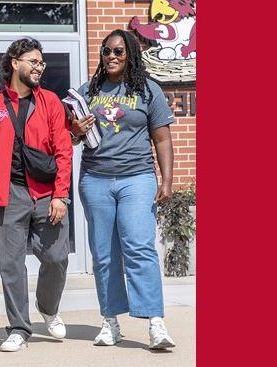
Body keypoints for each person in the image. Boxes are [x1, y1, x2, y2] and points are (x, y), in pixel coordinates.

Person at [70, 29, 177, 350]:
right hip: (95, 179)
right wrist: (74, 130)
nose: (112, 56)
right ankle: (110, 321)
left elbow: (162, 138)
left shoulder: (148, 90)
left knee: (139, 247)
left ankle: (155, 321)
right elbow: (71, 138)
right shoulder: (87, 91)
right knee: (103, 255)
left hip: (137, 178)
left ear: (130, 54)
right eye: (106, 51)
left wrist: (167, 180)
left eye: (118, 51)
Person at [0, 38, 73, 352]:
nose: (39, 67)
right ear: (15, 62)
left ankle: (48, 307)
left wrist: (60, 195)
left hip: (45, 193)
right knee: (11, 265)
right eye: (33, 61)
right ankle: (18, 327)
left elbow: (64, 151)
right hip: (8, 193)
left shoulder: (51, 102)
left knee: (56, 258)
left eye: (42, 62)